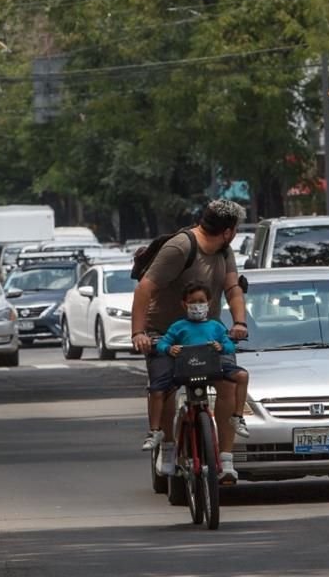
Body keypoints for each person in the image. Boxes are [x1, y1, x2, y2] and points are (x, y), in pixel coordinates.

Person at [131, 199, 249, 484]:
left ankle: (226, 460)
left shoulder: (224, 250)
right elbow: (144, 289)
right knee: (166, 387)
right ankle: (169, 447)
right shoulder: (180, 248)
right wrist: (139, 334)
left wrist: (239, 323)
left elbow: (232, 288)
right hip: (164, 331)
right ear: (229, 230)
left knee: (229, 384)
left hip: (207, 333)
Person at [153, 282, 250, 443]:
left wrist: (221, 347)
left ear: (209, 302)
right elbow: (163, 343)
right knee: (157, 390)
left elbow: (229, 345)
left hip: (212, 367)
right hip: (185, 369)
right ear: (184, 304)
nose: (197, 306)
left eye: (201, 301)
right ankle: (155, 430)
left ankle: (238, 417)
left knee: (242, 376)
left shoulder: (216, 326)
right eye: (192, 302)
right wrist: (169, 349)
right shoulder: (178, 327)